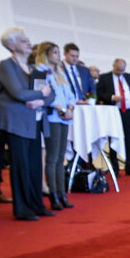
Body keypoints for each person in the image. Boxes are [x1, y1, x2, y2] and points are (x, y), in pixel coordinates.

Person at [0, 27, 55, 220]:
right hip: (15, 123)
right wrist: (41, 95)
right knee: (21, 167)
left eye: (28, 39)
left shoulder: (32, 69)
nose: (28, 42)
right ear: (11, 45)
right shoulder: (6, 66)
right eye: (23, 40)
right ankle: (23, 210)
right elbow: (19, 93)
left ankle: (37, 205)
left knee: (35, 166)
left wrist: (40, 100)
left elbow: (51, 93)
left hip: (33, 123)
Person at [34, 41, 75, 210]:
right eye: (55, 53)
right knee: (52, 158)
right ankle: (53, 195)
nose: (59, 56)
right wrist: (63, 109)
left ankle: (62, 193)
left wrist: (70, 108)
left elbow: (71, 95)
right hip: (52, 117)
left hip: (65, 117)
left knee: (60, 158)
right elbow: (44, 96)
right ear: (46, 54)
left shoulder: (60, 72)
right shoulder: (40, 71)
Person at [96, 58, 130, 176]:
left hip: (128, 112)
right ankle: (115, 168)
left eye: (122, 70)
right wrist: (111, 97)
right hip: (113, 112)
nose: (120, 72)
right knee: (114, 138)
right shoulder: (104, 77)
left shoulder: (129, 77)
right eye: (118, 70)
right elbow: (98, 94)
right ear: (114, 66)